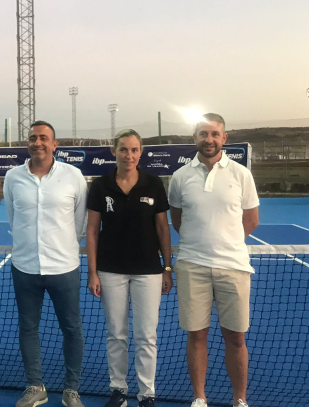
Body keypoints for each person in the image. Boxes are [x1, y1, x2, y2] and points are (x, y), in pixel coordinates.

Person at [168, 113, 259, 407]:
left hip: (234, 267)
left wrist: (227, 243)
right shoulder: (180, 177)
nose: (209, 139)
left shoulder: (241, 174)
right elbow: (178, 221)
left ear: (224, 138)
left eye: (214, 134)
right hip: (192, 266)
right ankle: (199, 398)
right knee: (197, 336)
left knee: (236, 338)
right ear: (195, 138)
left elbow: (251, 220)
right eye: (203, 134)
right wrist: (202, 243)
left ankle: (240, 400)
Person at [86, 129, 173, 407]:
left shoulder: (153, 183)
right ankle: (118, 390)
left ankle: (147, 394)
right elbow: (92, 230)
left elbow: (162, 227)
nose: (129, 155)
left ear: (141, 152)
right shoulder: (100, 185)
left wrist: (167, 268)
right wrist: (93, 271)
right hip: (111, 271)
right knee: (116, 334)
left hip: (149, 271)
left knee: (147, 335)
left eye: (134, 150)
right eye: (124, 149)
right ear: (114, 152)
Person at [3, 120, 87, 407]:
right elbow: (13, 218)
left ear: (55, 144)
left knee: (72, 329)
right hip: (25, 268)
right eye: (32, 138)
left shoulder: (74, 176)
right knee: (28, 328)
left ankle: (71, 390)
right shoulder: (13, 177)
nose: (37, 142)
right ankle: (35, 386)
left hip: (64, 268)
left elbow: (79, 223)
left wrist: (60, 247)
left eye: (43, 138)